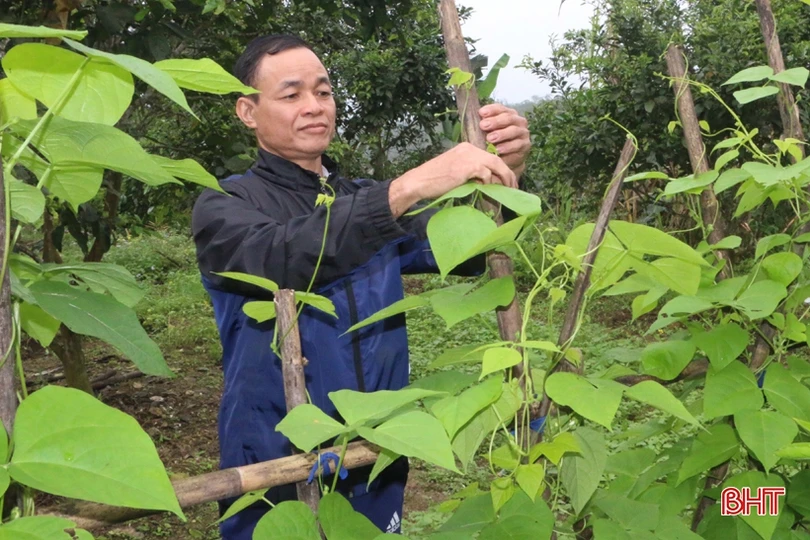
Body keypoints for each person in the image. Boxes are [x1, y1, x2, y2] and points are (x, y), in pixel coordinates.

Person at [191, 34, 531, 539]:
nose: (314, 106)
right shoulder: (225, 205)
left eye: (323, 92)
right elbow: (282, 256)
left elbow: (467, 250)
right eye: (291, 94)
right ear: (248, 111)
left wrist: (508, 174)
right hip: (274, 449)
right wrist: (407, 186)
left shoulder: (363, 198)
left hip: (377, 447)